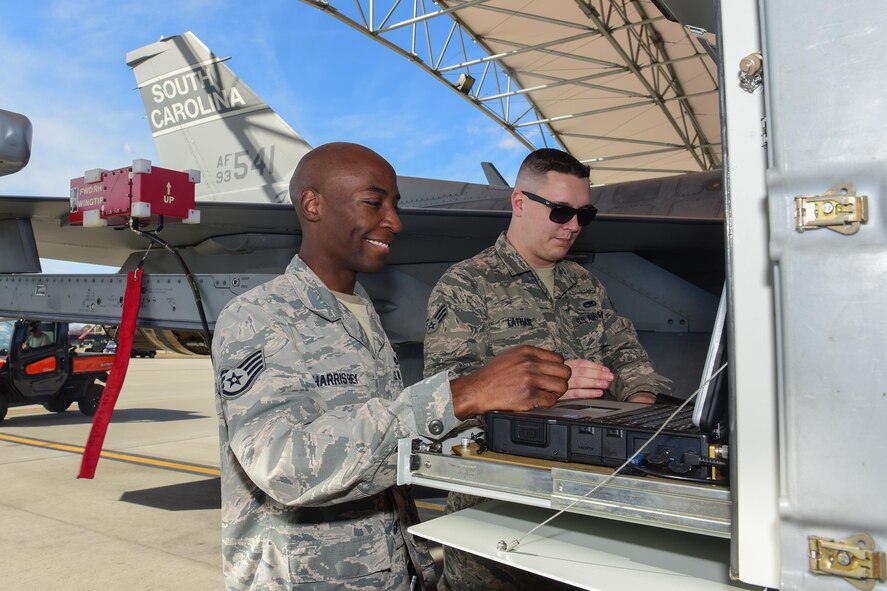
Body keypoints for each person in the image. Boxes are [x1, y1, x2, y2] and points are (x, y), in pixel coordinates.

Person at [212, 142, 572, 591]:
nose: (395, 222)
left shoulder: (361, 314)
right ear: (313, 204)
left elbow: (388, 447)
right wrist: (461, 394)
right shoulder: (258, 317)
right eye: (373, 202)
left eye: (395, 205)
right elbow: (284, 464)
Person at [423, 148, 674, 591]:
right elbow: (446, 404)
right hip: (497, 519)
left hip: (586, 507)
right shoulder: (466, 285)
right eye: (561, 212)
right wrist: (552, 390)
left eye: (584, 214)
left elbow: (630, 359)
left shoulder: (586, 284)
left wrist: (634, 421)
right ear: (519, 203)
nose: (574, 226)